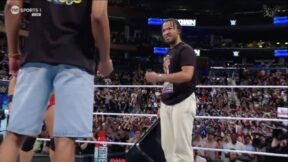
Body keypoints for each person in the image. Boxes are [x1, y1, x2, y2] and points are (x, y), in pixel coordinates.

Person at [0, 0, 113, 162]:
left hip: (35, 56)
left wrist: (13, 54)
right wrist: (104, 60)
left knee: (15, 136)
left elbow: (12, 5)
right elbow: (98, 15)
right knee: (65, 140)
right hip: (76, 59)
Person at [145, 18, 197, 162]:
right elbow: (169, 81)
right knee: (168, 148)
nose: (166, 32)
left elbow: (187, 75)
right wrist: (162, 103)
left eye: (169, 28)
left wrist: (159, 76)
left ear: (178, 30)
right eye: (163, 30)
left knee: (181, 148)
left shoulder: (186, 50)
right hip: (168, 103)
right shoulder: (169, 53)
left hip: (183, 100)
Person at [7, 76, 55, 162]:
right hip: (33, 96)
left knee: (57, 141)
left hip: (53, 95)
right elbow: (14, 80)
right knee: (27, 142)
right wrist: (11, 102)